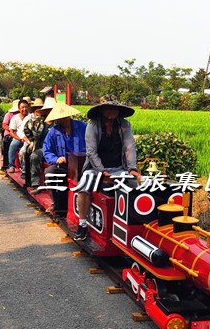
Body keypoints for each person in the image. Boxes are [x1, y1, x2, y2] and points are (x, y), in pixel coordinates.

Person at [74, 97, 138, 241]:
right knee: (84, 186)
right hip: (95, 168)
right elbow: (91, 152)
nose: (112, 111)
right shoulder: (93, 126)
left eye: (115, 108)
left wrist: (132, 168)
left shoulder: (124, 125)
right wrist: (102, 171)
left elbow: (129, 147)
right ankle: (82, 224)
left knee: (135, 186)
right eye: (108, 108)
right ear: (102, 110)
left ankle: (132, 226)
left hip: (118, 167)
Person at [42, 102, 86, 219]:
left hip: (83, 164)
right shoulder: (53, 132)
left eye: (63, 117)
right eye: (59, 118)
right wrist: (56, 159)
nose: (62, 119)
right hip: (64, 164)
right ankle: (57, 204)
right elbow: (47, 150)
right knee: (49, 173)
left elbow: (92, 145)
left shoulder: (83, 127)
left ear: (68, 115)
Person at [23, 96, 55, 190]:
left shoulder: (58, 123)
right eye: (48, 110)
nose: (50, 112)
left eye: (51, 110)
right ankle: (35, 183)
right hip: (42, 148)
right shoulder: (39, 121)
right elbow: (26, 128)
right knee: (34, 156)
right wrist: (32, 140)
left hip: (56, 148)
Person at [7, 99, 31, 173]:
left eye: (26, 107)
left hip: (29, 138)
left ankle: (27, 168)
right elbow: (12, 132)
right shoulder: (15, 118)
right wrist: (20, 139)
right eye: (22, 107)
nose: (24, 109)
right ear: (19, 109)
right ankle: (11, 165)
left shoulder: (31, 117)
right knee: (13, 144)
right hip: (18, 138)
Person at [0, 99, 19, 171]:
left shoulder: (25, 115)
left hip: (20, 134)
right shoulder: (9, 115)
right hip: (9, 134)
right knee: (7, 142)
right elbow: (4, 125)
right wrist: (12, 129)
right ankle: (7, 164)